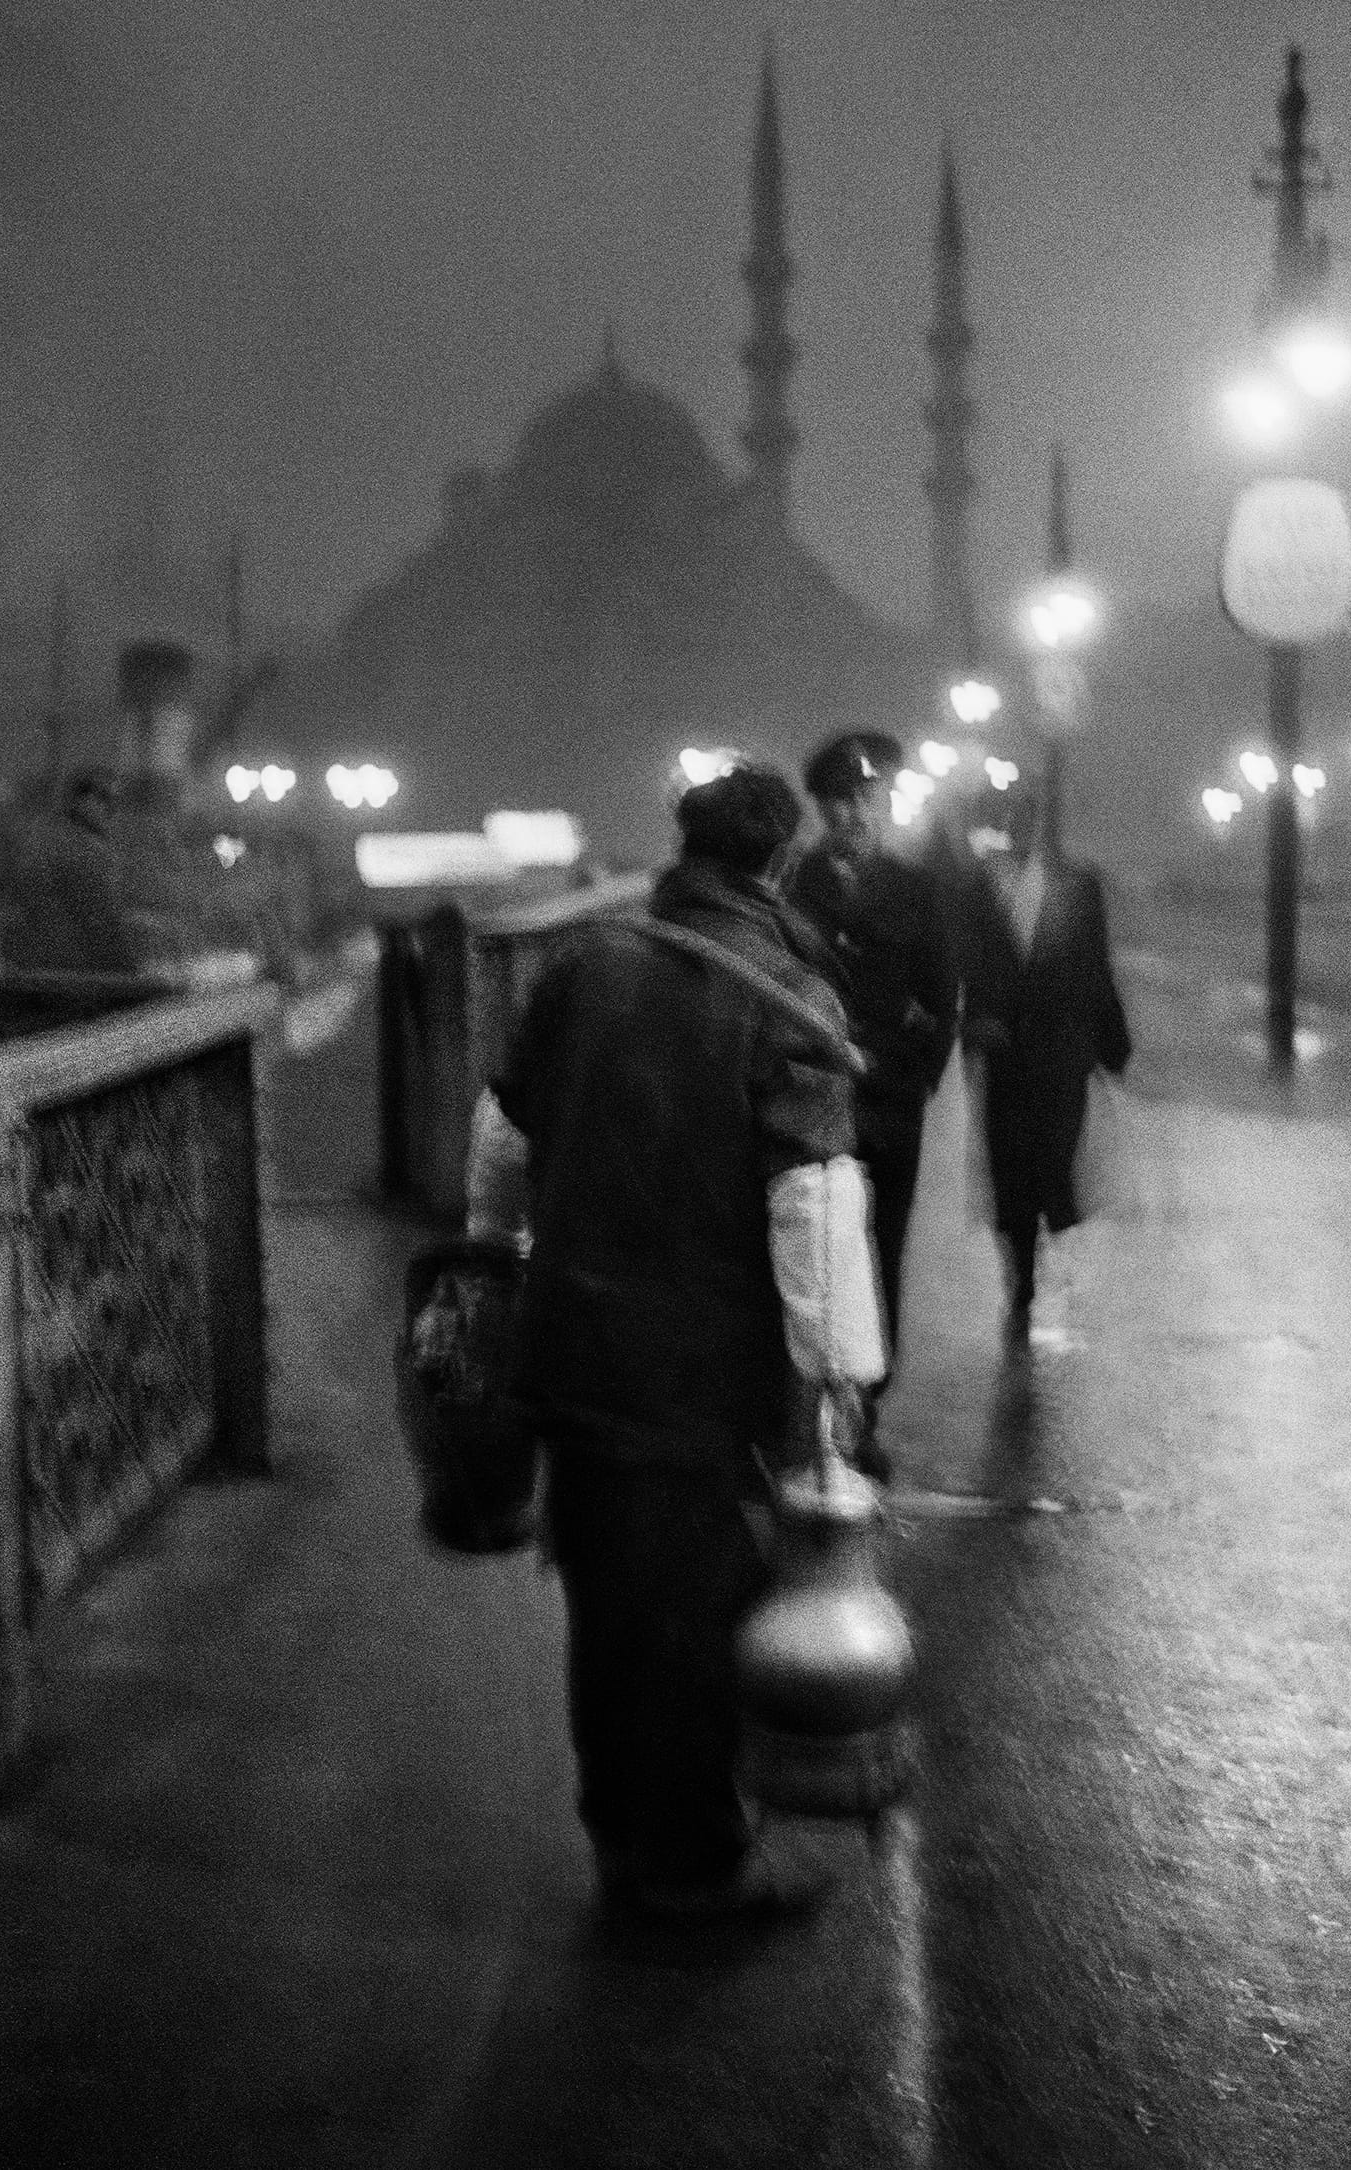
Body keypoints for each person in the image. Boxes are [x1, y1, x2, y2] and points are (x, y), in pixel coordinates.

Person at [463, 759, 887, 1923]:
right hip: (699, 1372)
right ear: (781, 862)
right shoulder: (792, 994)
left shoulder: (583, 967)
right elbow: (811, 1208)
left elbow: (501, 1140)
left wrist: (497, 1265)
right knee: (699, 1614)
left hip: (571, 1349)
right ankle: (689, 1870)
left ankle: (622, 1843)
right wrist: (834, 1377)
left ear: (682, 849)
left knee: (605, 1608)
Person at [786, 730, 957, 1467]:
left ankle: (867, 1408)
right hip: (813, 1101)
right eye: (839, 803)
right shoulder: (793, 889)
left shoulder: (916, 891)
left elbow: (939, 998)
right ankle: (813, 1405)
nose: (855, 815)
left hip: (887, 1106)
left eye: (866, 799)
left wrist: (909, 1073)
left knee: (881, 1251)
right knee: (815, 1249)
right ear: (820, 810)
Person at [960, 785, 1132, 1347]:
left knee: (1052, 1154)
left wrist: (1110, 1038)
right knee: (1009, 1164)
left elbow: (1095, 965)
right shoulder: (981, 887)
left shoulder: (1079, 884)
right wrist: (975, 1025)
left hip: (1060, 1053)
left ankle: (1035, 1243)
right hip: (1007, 1053)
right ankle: (1021, 1271)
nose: (1020, 828)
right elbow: (971, 965)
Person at [6, 768, 141, 976]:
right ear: (80, 800)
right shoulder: (70, 845)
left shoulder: (68, 839)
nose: (111, 809)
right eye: (103, 797)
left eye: (115, 800)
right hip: (70, 971)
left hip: (58, 965)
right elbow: (98, 917)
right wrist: (131, 973)